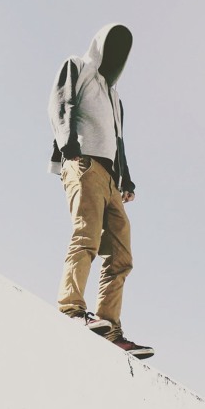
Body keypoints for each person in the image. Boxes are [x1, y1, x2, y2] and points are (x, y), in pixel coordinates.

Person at [47, 23, 154, 359]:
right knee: (86, 236)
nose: (116, 55)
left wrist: (126, 179)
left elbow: (118, 141)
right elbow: (61, 103)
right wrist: (69, 146)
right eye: (112, 46)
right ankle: (71, 309)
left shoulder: (115, 97)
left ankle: (109, 328)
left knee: (121, 256)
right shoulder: (77, 66)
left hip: (110, 177)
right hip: (83, 163)